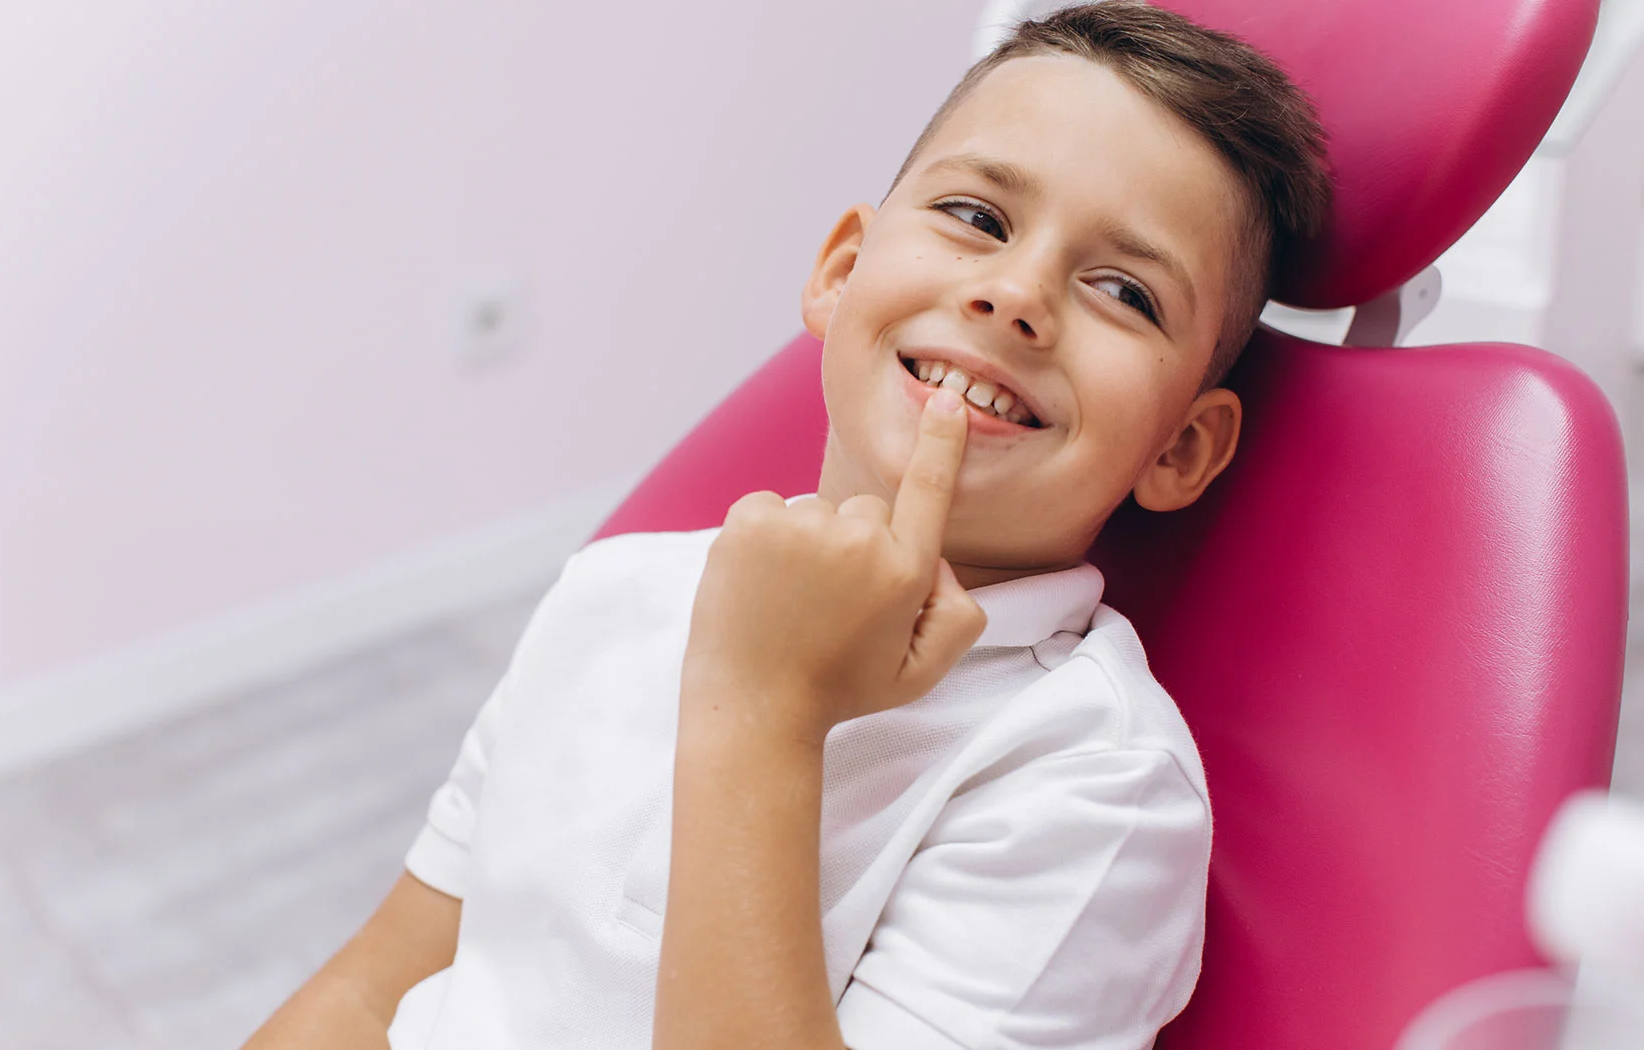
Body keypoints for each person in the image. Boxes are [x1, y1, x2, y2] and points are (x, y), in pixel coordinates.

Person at [244, 3, 1329, 1048]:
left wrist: (759, 709)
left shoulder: (1091, 786)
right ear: (842, 272)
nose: (1016, 294)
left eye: (1124, 291)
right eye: (978, 218)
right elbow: (369, 993)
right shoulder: (615, 593)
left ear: (1181, 448)